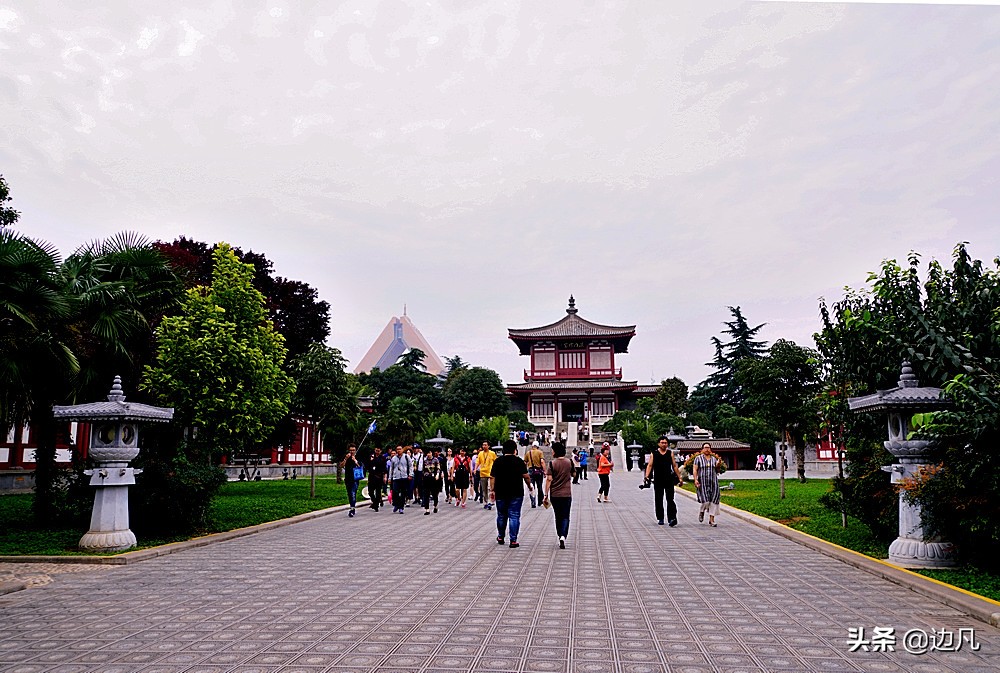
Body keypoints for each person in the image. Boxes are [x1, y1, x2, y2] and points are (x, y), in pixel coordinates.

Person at [489, 439, 532, 548]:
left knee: (501, 515)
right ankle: (513, 540)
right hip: (516, 492)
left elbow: (492, 477)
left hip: (501, 492)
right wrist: (529, 486)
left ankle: (501, 536)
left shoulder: (498, 461)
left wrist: (492, 490)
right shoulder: (519, 461)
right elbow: (526, 476)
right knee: (514, 515)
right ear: (515, 450)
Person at [644, 436, 684, 526]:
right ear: (658, 443)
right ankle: (660, 518)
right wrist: (647, 476)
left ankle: (672, 518)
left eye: (665, 443)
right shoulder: (654, 453)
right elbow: (650, 465)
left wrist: (679, 477)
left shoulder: (670, 453)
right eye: (662, 442)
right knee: (658, 499)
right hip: (658, 479)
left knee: (670, 499)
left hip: (668, 479)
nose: (664, 444)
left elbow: (674, 466)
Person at [542, 441, 574, 548]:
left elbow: (549, 480)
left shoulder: (552, 464)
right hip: (567, 494)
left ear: (555, 452)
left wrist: (546, 494)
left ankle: (559, 534)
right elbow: (574, 474)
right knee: (565, 516)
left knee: (558, 516)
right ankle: (563, 536)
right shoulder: (569, 462)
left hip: (555, 495)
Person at [693, 442, 722, 526]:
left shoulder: (713, 459)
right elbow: (695, 469)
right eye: (705, 447)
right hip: (703, 482)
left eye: (708, 447)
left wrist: (718, 465)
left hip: (713, 482)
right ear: (702, 449)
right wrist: (695, 480)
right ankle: (702, 511)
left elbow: (717, 471)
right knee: (705, 501)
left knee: (714, 500)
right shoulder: (698, 458)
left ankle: (712, 520)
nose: (707, 449)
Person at [389, 445, 412, 514]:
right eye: (397, 449)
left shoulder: (406, 457)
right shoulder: (394, 458)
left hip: (404, 477)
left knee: (403, 493)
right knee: (395, 492)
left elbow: (410, 466)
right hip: (396, 477)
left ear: (402, 450)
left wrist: (410, 474)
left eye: (400, 449)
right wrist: (390, 478)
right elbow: (391, 469)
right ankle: (396, 504)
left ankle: (401, 507)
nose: (398, 451)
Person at [341, 444, 363, 518]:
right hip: (348, 478)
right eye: (351, 450)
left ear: (355, 450)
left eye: (353, 450)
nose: (352, 451)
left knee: (353, 493)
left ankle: (352, 509)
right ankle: (352, 506)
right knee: (350, 494)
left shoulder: (358, 457)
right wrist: (345, 459)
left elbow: (361, 466)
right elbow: (341, 465)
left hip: (355, 479)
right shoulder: (346, 457)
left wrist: (355, 461)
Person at [523, 440, 545, 508]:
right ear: (537, 446)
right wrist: (544, 471)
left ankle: (533, 502)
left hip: (530, 471)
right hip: (538, 471)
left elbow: (525, 462)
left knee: (532, 487)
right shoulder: (540, 452)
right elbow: (542, 462)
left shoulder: (528, 453)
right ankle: (540, 501)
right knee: (540, 486)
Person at [477, 441, 497, 510]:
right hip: (482, 473)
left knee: (490, 488)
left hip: (490, 473)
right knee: (484, 489)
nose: (484, 446)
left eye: (485, 445)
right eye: (483, 445)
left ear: (488, 446)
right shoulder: (480, 453)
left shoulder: (492, 453)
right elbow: (478, 462)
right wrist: (475, 469)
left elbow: (496, 462)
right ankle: (485, 502)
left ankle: (489, 501)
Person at [422, 448, 442, 514]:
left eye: (429, 453)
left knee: (434, 493)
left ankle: (435, 506)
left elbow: (438, 468)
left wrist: (438, 475)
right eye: (427, 453)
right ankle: (427, 509)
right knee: (426, 494)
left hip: (434, 478)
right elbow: (423, 469)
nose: (428, 454)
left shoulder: (435, 460)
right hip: (426, 478)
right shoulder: (424, 461)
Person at [366, 446, 386, 511]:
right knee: (370, 491)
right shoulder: (371, 456)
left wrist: (384, 477)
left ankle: (376, 505)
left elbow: (384, 468)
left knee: (378, 492)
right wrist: (371, 460)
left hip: (379, 476)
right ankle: (374, 502)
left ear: (380, 451)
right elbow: (367, 466)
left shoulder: (382, 458)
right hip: (372, 476)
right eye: (376, 450)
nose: (377, 452)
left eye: (378, 451)